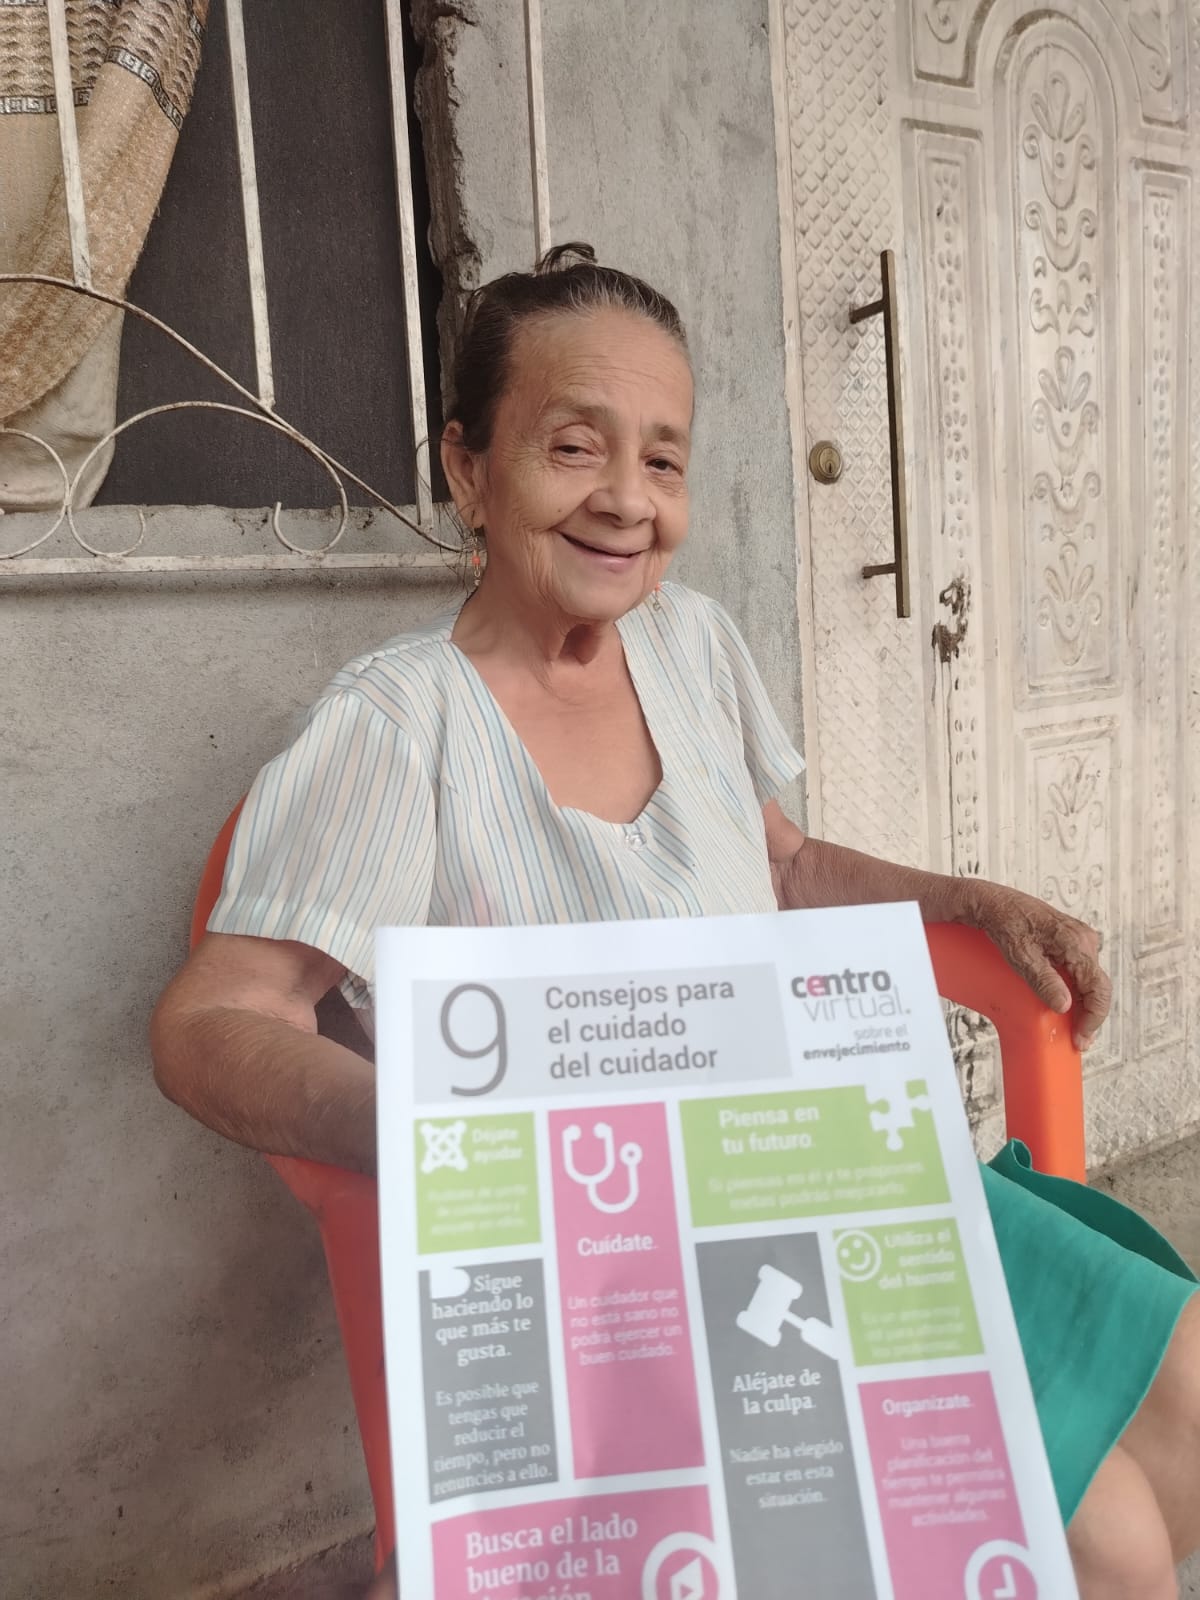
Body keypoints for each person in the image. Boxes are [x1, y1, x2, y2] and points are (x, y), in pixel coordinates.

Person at [151, 245, 1199, 1599]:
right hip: (620, 1276)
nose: (627, 501)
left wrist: (962, 899)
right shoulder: (396, 728)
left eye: (663, 460)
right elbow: (213, 1020)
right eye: (573, 447)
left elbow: (783, 865)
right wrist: (439, 1133)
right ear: (469, 468)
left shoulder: (692, 643)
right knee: (1098, 1539)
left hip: (822, 1183)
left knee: (1187, 1391)